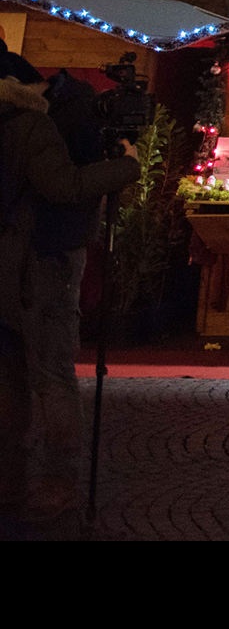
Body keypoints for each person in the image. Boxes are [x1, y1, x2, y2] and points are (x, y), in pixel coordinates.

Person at [0, 50, 139, 530]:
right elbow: (64, 186)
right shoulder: (33, 124)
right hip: (43, 259)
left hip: (17, 260)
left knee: (15, 371)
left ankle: (12, 481)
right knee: (51, 374)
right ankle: (56, 481)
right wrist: (126, 166)